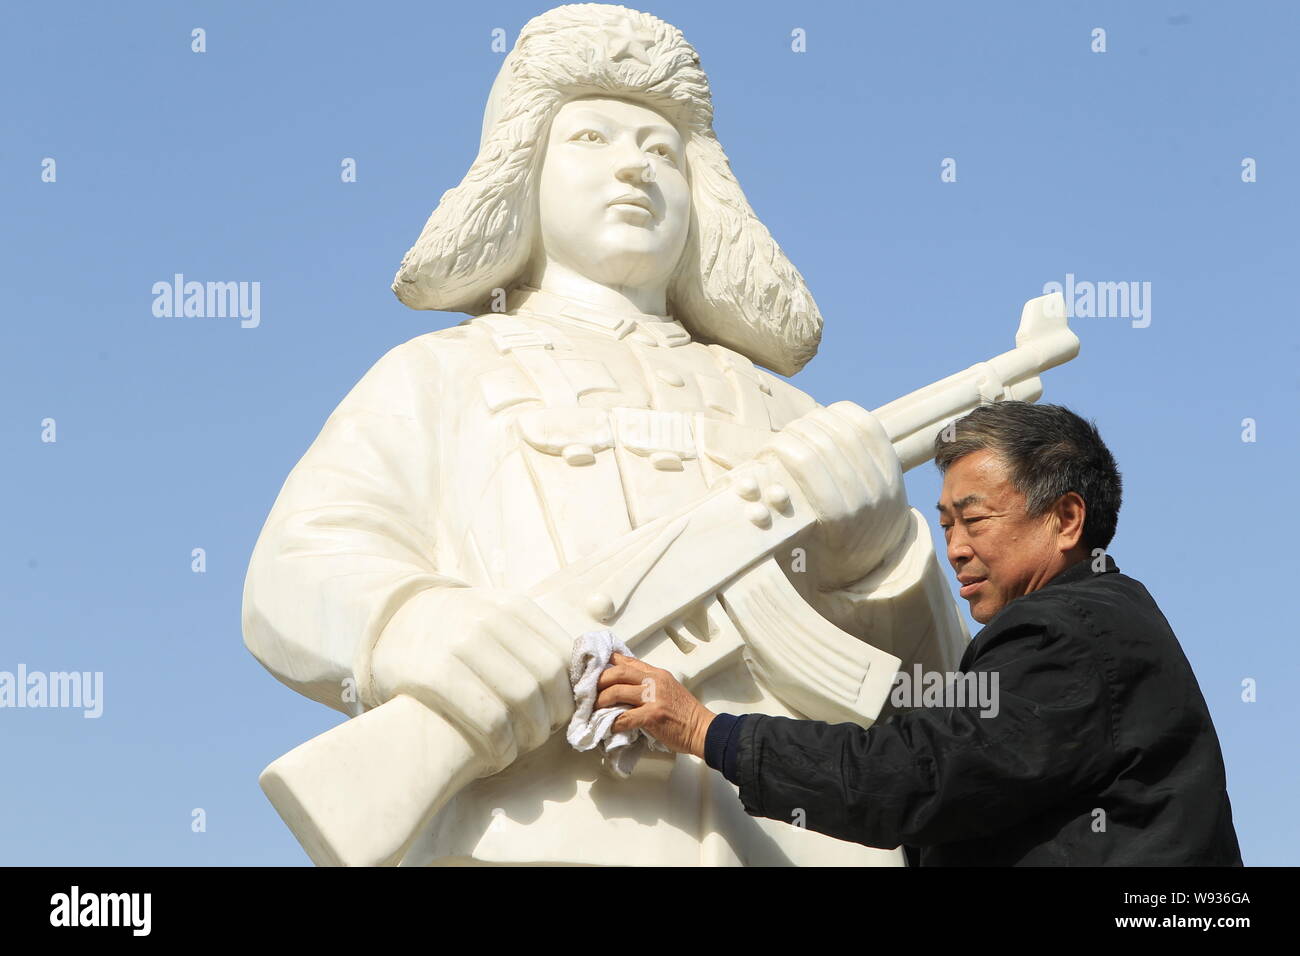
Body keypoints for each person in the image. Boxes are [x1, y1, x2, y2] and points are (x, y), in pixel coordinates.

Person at [241, 3, 971, 866]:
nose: (636, 166)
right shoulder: (440, 375)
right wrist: (427, 630)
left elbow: (937, 712)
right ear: (525, 172)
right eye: (591, 138)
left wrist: (881, 560)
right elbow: (297, 565)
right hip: (532, 838)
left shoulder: (790, 420)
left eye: (663, 151)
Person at [601, 401, 1245, 865]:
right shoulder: (1104, 621)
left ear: (1066, 519)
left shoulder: (1067, 632)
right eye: (945, 526)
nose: (957, 550)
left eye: (976, 519)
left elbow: (917, 776)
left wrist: (706, 731)